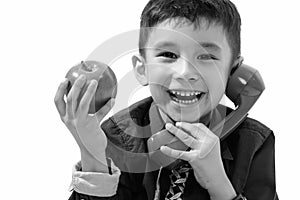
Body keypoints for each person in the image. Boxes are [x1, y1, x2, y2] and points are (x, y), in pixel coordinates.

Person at [54, 0, 278, 199]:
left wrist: (219, 185)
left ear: (233, 70)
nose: (185, 72)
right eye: (168, 55)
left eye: (207, 56)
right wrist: (93, 155)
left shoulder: (254, 142)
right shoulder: (118, 136)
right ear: (142, 70)